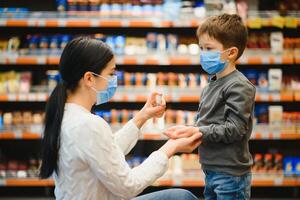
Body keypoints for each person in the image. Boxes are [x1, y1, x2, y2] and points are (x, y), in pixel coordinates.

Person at [39, 36, 200, 200]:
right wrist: (170, 148)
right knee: (181, 197)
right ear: (89, 78)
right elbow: (128, 186)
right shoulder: (88, 124)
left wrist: (142, 117)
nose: (113, 80)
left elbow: (104, 152)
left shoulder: (63, 116)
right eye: (111, 73)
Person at [164, 14, 256, 200]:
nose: (203, 54)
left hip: (230, 174)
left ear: (231, 53)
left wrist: (199, 131)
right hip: (212, 168)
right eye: (201, 48)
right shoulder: (213, 82)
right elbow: (209, 122)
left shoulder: (238, 86)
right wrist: (190, 130)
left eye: (209, 49)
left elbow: (235, 129)